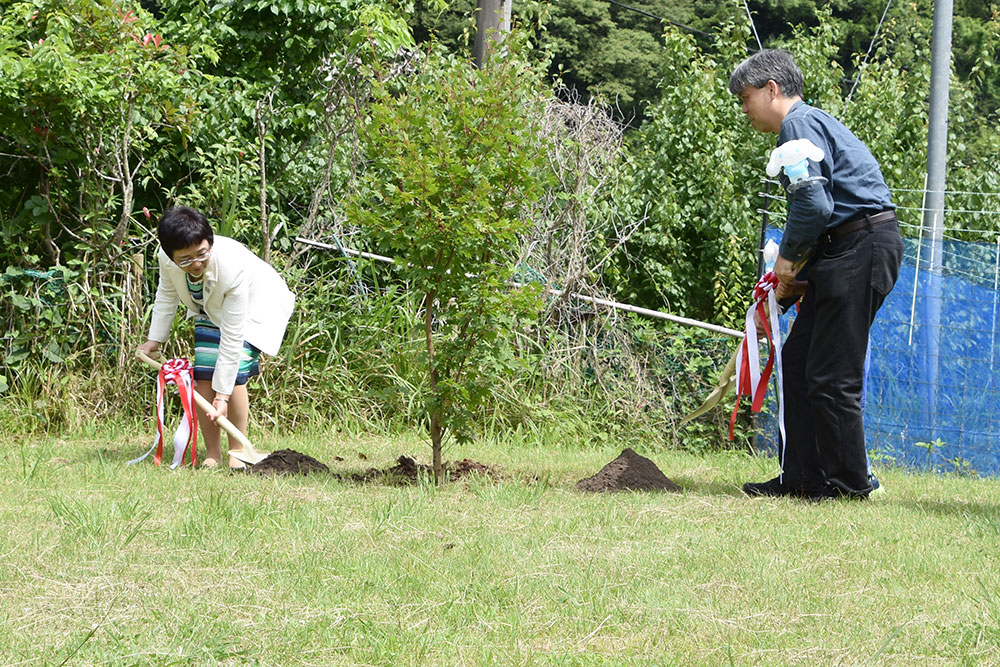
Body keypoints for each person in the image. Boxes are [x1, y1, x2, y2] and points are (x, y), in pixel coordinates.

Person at [729, 49, 903, 500]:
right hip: (843, 250)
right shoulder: (808, 124)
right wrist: (804, 272)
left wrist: (787, 261)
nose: (743, 108)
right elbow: (824, 209)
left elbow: (813, 204)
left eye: (746, 97)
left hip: (860, 246)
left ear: (772, 89)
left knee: (831, 376)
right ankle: (802, 479)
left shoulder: (797, 127)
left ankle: (848, 485)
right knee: (802, 366)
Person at [136, 206, 295, 469]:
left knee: (234, 377)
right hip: (208, 307)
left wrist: (222, 397)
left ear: (209, 242)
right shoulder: (167, 259)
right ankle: (213, 453)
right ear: (171, 255)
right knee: (203, 376)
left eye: (202, 254)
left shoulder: (232, 266)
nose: (196, 264)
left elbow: (232, 338)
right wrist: (155, 339)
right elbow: (167, 294)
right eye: (185, 259)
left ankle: (238, 451)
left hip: (254, 307)